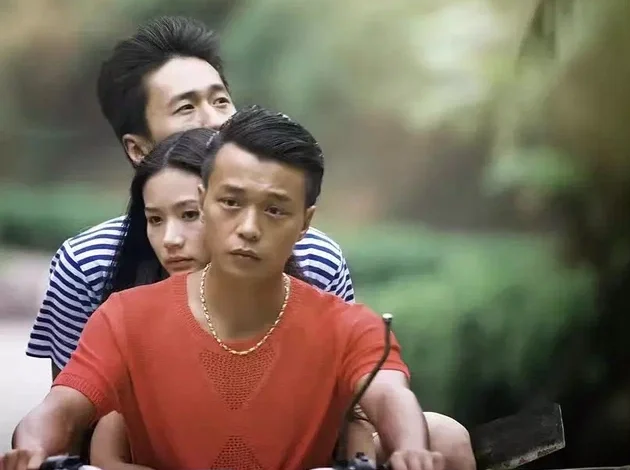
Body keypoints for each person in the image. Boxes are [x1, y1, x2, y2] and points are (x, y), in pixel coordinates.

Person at [5, 106, 447, 470]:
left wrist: (411, 449)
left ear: (304, 223)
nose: (249, 228)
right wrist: (33, 448)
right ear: (204, 200)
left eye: (275, 210)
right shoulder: (124, 318)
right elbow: (64, 404)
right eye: (231, 202)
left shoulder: (351, 327)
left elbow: (389, 393)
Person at [25, 16, 355, 382]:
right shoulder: (90, 266)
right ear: (138, 149)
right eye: (186, 108)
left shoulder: (314, 257)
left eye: (220, 100)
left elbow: (346, 392)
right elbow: (76, 403)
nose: (216, 122)